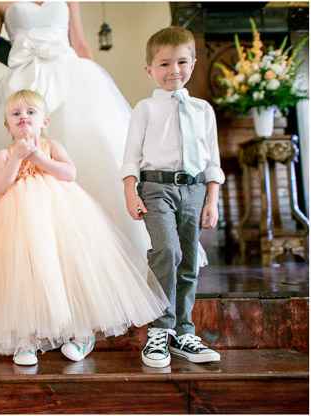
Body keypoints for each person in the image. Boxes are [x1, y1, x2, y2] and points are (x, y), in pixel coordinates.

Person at [0, 90, 168, 366]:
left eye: (31, 112)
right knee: (25, 273)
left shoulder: (52, 146)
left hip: (58, 214)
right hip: (17, 223)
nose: (23, 117)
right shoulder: (5, 153)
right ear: (6, 125)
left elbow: (69, 174)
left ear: (44, 121)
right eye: (15, 114)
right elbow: (1, 185)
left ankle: (82, 331)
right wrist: (18, 157)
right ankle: (26, 336)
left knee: (68, 269)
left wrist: (37, 157)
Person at [0, 1, 150, 255]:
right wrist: (19, 52)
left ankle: (97, 249)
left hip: (69, 75)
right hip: (22, 79)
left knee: (87, 150)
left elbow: (78, 42)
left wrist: (95, 85)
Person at [121, 27, 223, 368]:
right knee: (168, 250)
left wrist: (212, 199)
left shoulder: (203, 110)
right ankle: (160, 330)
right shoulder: (145, 109)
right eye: (164, 64)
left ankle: (183, 331)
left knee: (190, 259)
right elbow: (131, 155)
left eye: (181, 62)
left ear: (193, 64)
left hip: (195, 190)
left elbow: (212, 160)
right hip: (156, 188)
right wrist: (129, 190)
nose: (173, 70)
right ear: (150, 69)